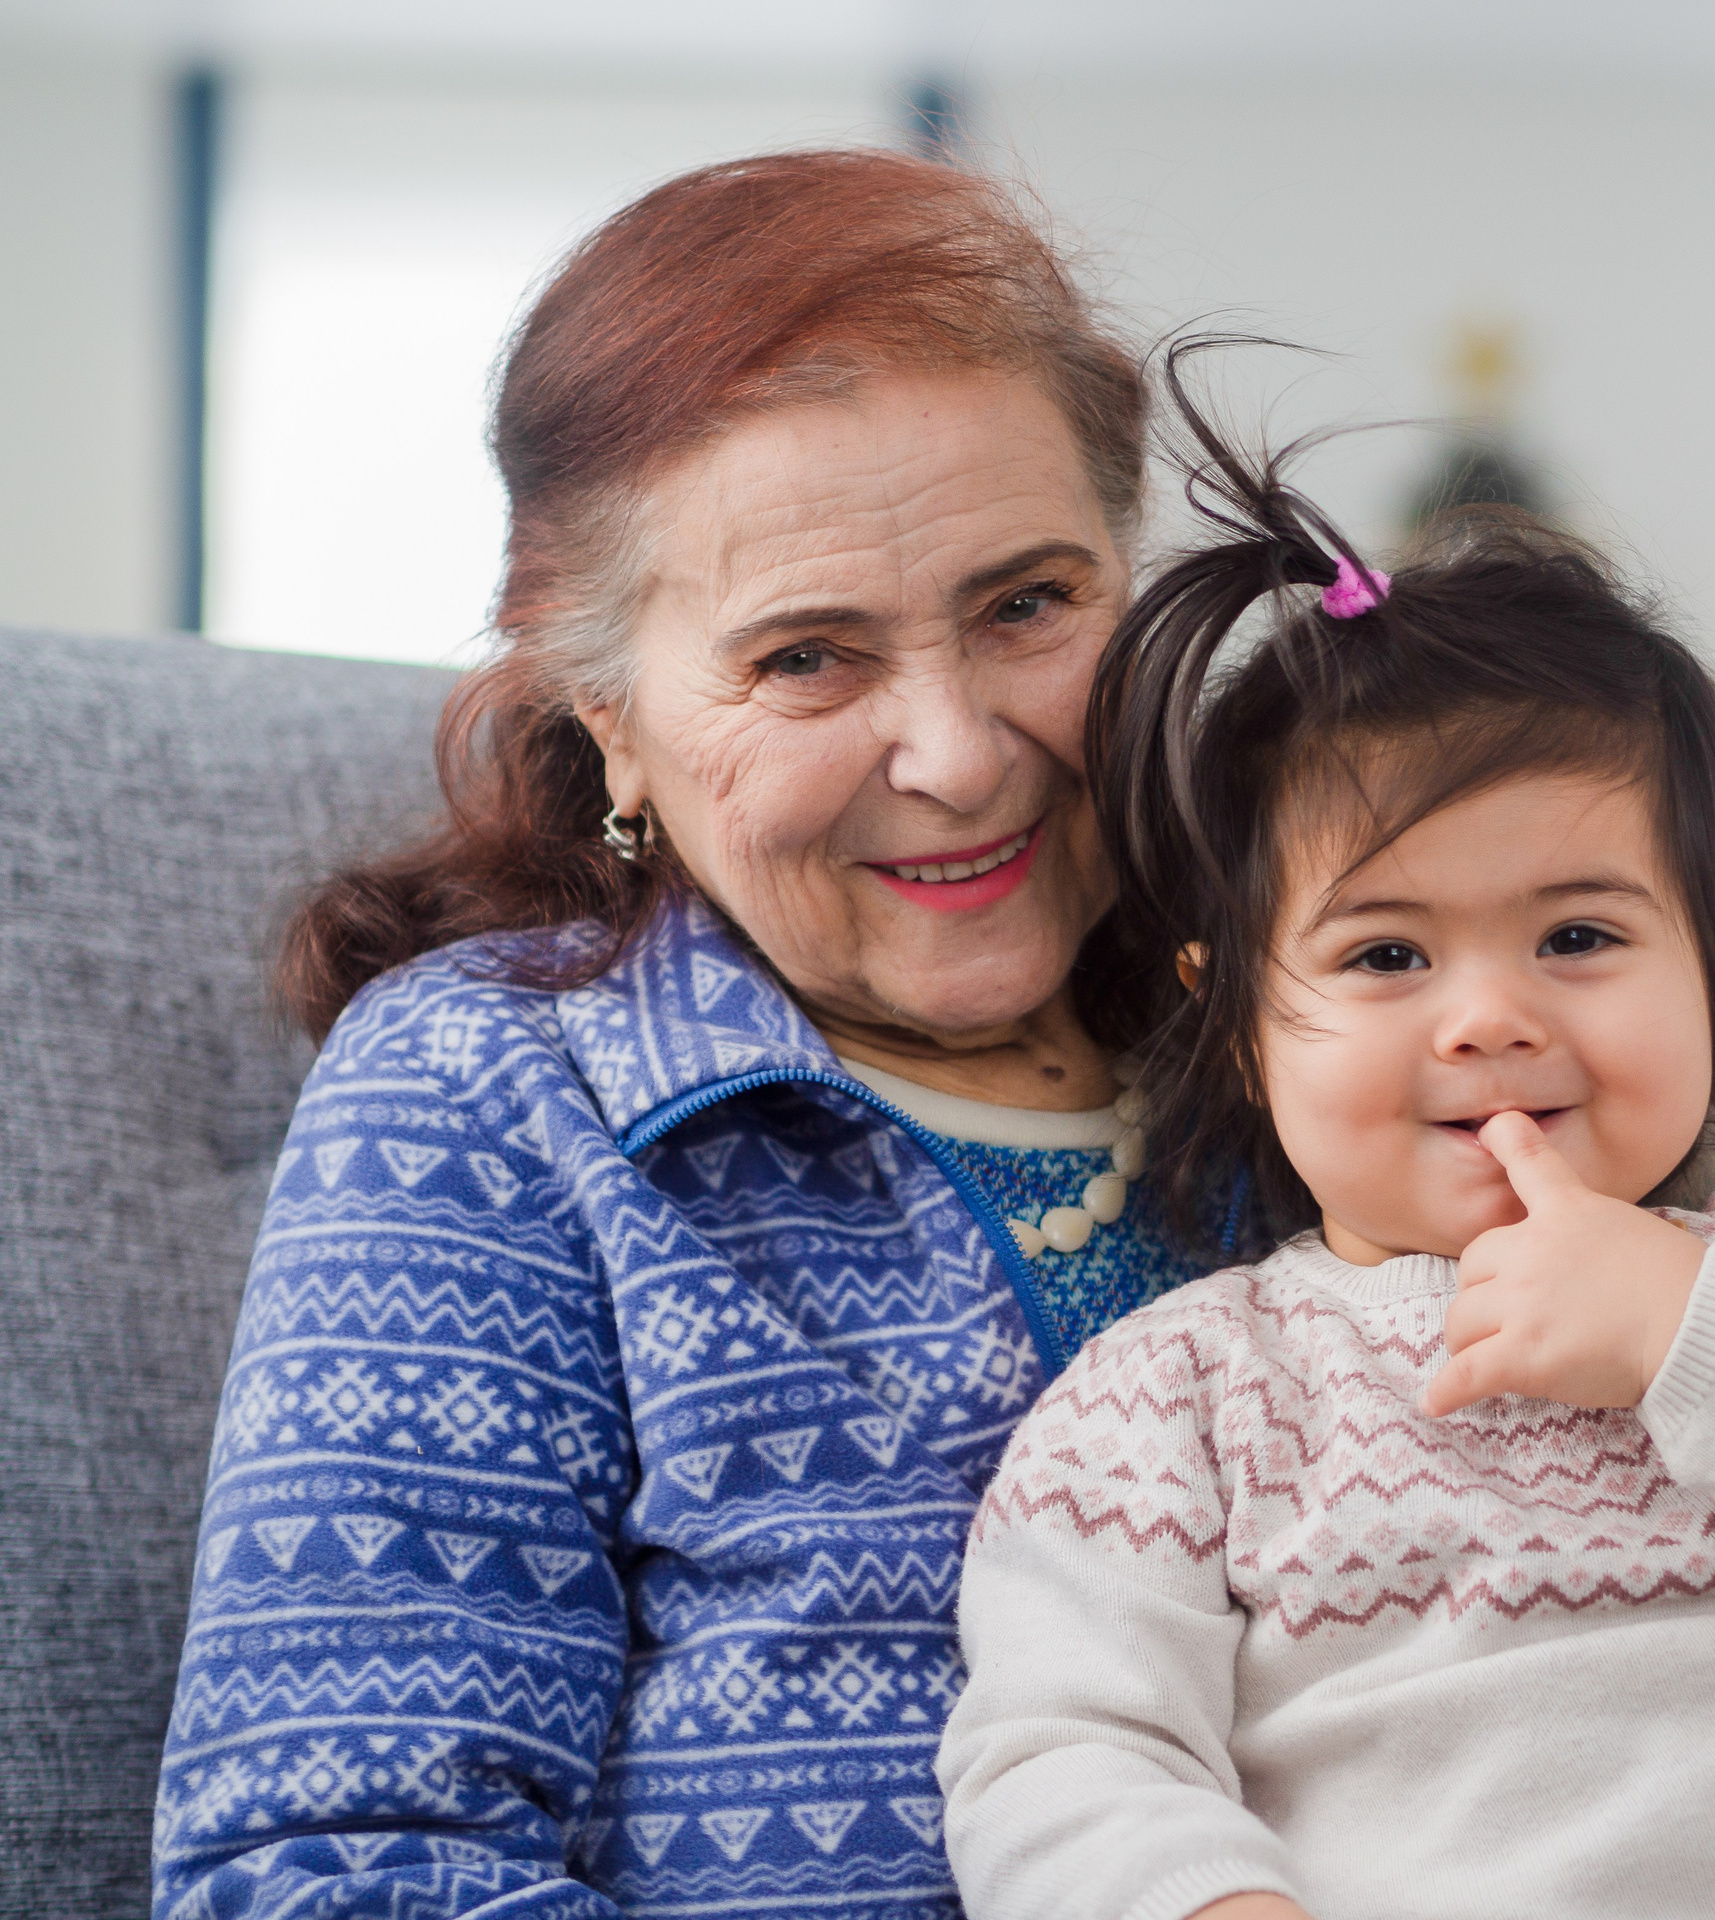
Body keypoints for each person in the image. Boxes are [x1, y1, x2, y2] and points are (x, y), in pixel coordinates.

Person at [935, 369, 1715, 1920]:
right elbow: (1060, 1753)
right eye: (1388, 958)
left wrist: (1691, 1328)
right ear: (1243, 1018)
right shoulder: (1188, 1393)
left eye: (1578, 934)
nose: (1486, 1020)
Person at [150, 150, 1193, 1920]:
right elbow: (330, 1879)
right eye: (806, 659)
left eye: (1028, 604)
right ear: (612, 723)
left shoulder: (1335, 1024)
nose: (953, 751)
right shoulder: (489, 1093)